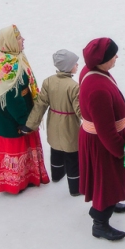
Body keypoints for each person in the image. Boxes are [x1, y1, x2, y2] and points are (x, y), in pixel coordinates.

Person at [0, 24, 50, 194]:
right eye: (18, 38)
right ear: (10, 42)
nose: (22, 40)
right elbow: (13, 99)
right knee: (15, 153)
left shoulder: (3, 57)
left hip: (1, 119)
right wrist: (26, 122)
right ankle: (15, 183)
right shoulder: (10, 68)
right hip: (11, 121)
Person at [77, 37, 125, 241]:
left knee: (110, 181)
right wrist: (121, 152)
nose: (117, 57)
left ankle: (110, 200)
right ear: (102, 60)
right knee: (105, 181)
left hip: (101, 140)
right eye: (113, 55)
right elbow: (106, 130)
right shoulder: (98, 88)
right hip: (103, 144)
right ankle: (100, 222)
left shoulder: (95, 72)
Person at [25, 49, 82, 196]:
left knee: (56, 149)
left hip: (53, 122)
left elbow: (40, 104)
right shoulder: (74, 86)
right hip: (69, 126)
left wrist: (30, 124)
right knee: (72, 156)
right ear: (69, 66)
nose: (77, 64)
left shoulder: (48, 81)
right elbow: (80, 111)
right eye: (75, 63)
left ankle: (57, 175)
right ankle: (76, 188)